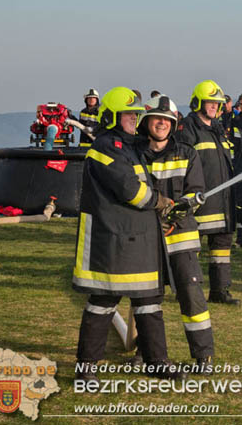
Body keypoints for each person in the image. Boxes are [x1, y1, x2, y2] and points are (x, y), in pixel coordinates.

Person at [73, 86, 184, 382]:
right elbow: (128, 189)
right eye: (128, 114)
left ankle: (157, 362)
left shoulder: (129, 145)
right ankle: (87, 369)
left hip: (137, 240)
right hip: (112, 241)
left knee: (150, 302)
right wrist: (160, 202)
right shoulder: (105, 147)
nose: (135, 119)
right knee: (103, 304)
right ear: (111, 116)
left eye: (137, 114)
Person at [137, 94, 214, 371]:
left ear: (174, 124)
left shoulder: (187, 153)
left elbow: (195, 194)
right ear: (147, 122)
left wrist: (175, 214)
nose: (162, 124)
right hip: (147, 238)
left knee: (191, 296)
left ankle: (203, 356)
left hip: (180, 237)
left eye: (167, 120)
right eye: (157, 119)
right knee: (146, 299)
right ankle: (146, 352)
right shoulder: (136, 155)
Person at [176, 80, 240, 305]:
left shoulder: (217, 129)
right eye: (210, 102)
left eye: (217, 103)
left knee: (222, 249)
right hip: (200, 200)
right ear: (198, 103)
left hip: (222, 202)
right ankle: (188, 290)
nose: (214, 107)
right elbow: (182, 164)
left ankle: (220, 291)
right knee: (191, 248)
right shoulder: (188, 127)